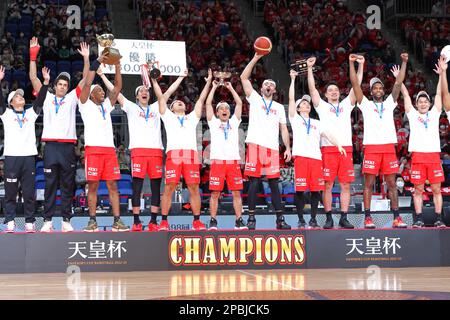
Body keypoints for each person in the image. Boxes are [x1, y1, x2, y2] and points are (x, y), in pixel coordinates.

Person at [97, 67, 187, 232]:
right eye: (141, 91)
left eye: (146, 90)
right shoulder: (130, 107)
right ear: (137, 96)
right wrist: (102, 75)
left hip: (155, 152)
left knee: (155, 188)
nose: (144, 92)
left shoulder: (155, 107)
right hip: (138, 152)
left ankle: (153, 221)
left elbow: (167, 93)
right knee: (137, 188)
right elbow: (114, 90)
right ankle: (136, 221)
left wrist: (181, 77)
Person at [29, 37, 90, 232]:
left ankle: (66, 220)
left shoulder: (73, 98)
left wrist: (87, 59)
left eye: (66, 84)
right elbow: (33, 79)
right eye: (60, 84)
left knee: (67, 185)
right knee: (49, 184)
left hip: (67, 148)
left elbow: (87, 79)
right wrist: (33, 57)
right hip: (51, 147)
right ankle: (47, 221)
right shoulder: (46, 96)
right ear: (54, 85)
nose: (63, 86)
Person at [350, 52, 409, 228]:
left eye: (380, 88)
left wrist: (404, 62)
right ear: (371, 91)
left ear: (383, 91)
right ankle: (368, 218)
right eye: (374, 88)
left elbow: (398, 83)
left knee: (391, 183)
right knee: (368, 184)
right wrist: (351, 64)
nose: (377, 90)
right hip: (372, 149)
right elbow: (354, 83)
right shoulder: (365, 104)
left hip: (388, 148)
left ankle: (397, 217)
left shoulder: (390, 103)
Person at [306, 55, 364, 229]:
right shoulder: (322, 106)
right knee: (328, 185)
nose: (334, 92)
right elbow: (312, 90)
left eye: (336, 90)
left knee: (346, 184)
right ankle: (329, 217)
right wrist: (309, 69)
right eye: (330, 90)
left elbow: (356, 85)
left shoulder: (346, 104)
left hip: (345, 149)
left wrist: (360, 66)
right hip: (328, 149)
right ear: (326, 94)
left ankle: (344, 217)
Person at [151, 70, 212, 231]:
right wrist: (155, 82)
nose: (180, 103)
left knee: (193, 188)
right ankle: (164, 221)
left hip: (190, 155)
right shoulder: (168, 116)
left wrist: (208, 81)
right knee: (169, 187)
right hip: (174, 154)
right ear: (170, 108)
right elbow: (160, 98)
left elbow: (201, 100)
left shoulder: (192, 117)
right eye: (176, 102)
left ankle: (197, 221)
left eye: (181, 102)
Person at [289, 69, 347, 229]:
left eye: (307, 104)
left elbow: (328, 134)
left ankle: (313, 219)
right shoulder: (294, 119)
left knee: (316, 191)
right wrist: (293, 80)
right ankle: (301, 219)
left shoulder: (316, 122)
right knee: (300, 190)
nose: (306, 105)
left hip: (316, 159)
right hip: (301, 158)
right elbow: (291, 98)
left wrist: (339, 145)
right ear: (299, 108)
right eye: (303, 104)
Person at [78, 52, 129, 232]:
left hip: (109, 151)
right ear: (91, 94)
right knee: (93, 185)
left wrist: (117, 66)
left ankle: (117, 221)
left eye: (101, 90)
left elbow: (117, 87)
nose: (102, 92)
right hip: (93, 150)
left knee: (113, 185)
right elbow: (88, 81)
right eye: (98, 90)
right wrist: (96, 61)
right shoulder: (84, 103)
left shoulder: (106, 106)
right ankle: (92, 221)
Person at [240, 53, 292, 230]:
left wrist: (288, 148)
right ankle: (251, 219)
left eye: (271, 84)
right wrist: (255, 58)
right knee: (254, 182)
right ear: (261, 88)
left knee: (274, 184)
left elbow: (283, 128)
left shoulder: (278, 107)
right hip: (255, 144)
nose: (268, 86)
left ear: (275, 90)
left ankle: (280, 220)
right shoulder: (254, 98)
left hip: (272, 148)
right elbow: (243, 77)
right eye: (265, 84)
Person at [0, 65, 49, 233]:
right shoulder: (6, 114)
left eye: (21, 95)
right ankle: (10, 221)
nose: (21, 97)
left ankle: (29, 221)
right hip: (12, 158)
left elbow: (40, 100)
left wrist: (46, 83)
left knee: (29, 192)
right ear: (11, 102)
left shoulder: (30, 113)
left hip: (28, 157)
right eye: (17, 96)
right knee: (10, 192)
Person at [399, 61, 445, 228]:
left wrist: (441, 75)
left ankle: (439, 218)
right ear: (417, 104)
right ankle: (418, 219)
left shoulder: (434, 114)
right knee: (418, 190)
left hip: (433, 156)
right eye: (420, 101)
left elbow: (439, 94)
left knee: (436, 190)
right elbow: (405, 95)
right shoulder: (412, 115)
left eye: (426, 101)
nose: (423, 103)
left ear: (429, 104)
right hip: (418, 157)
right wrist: (399, 81)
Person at [206, 79, 247, 230]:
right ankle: (213, 220)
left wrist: (230, 88)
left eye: (227, 108)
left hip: (232, 162)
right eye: (221, 108)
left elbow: (240, 104)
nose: (224, 110)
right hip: (217, 162)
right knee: (215, 193)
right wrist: (214, 87)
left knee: (236, 192)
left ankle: (239, 220)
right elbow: (208, 103)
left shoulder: (234, 122)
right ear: (217, 113)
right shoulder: (213, 123)